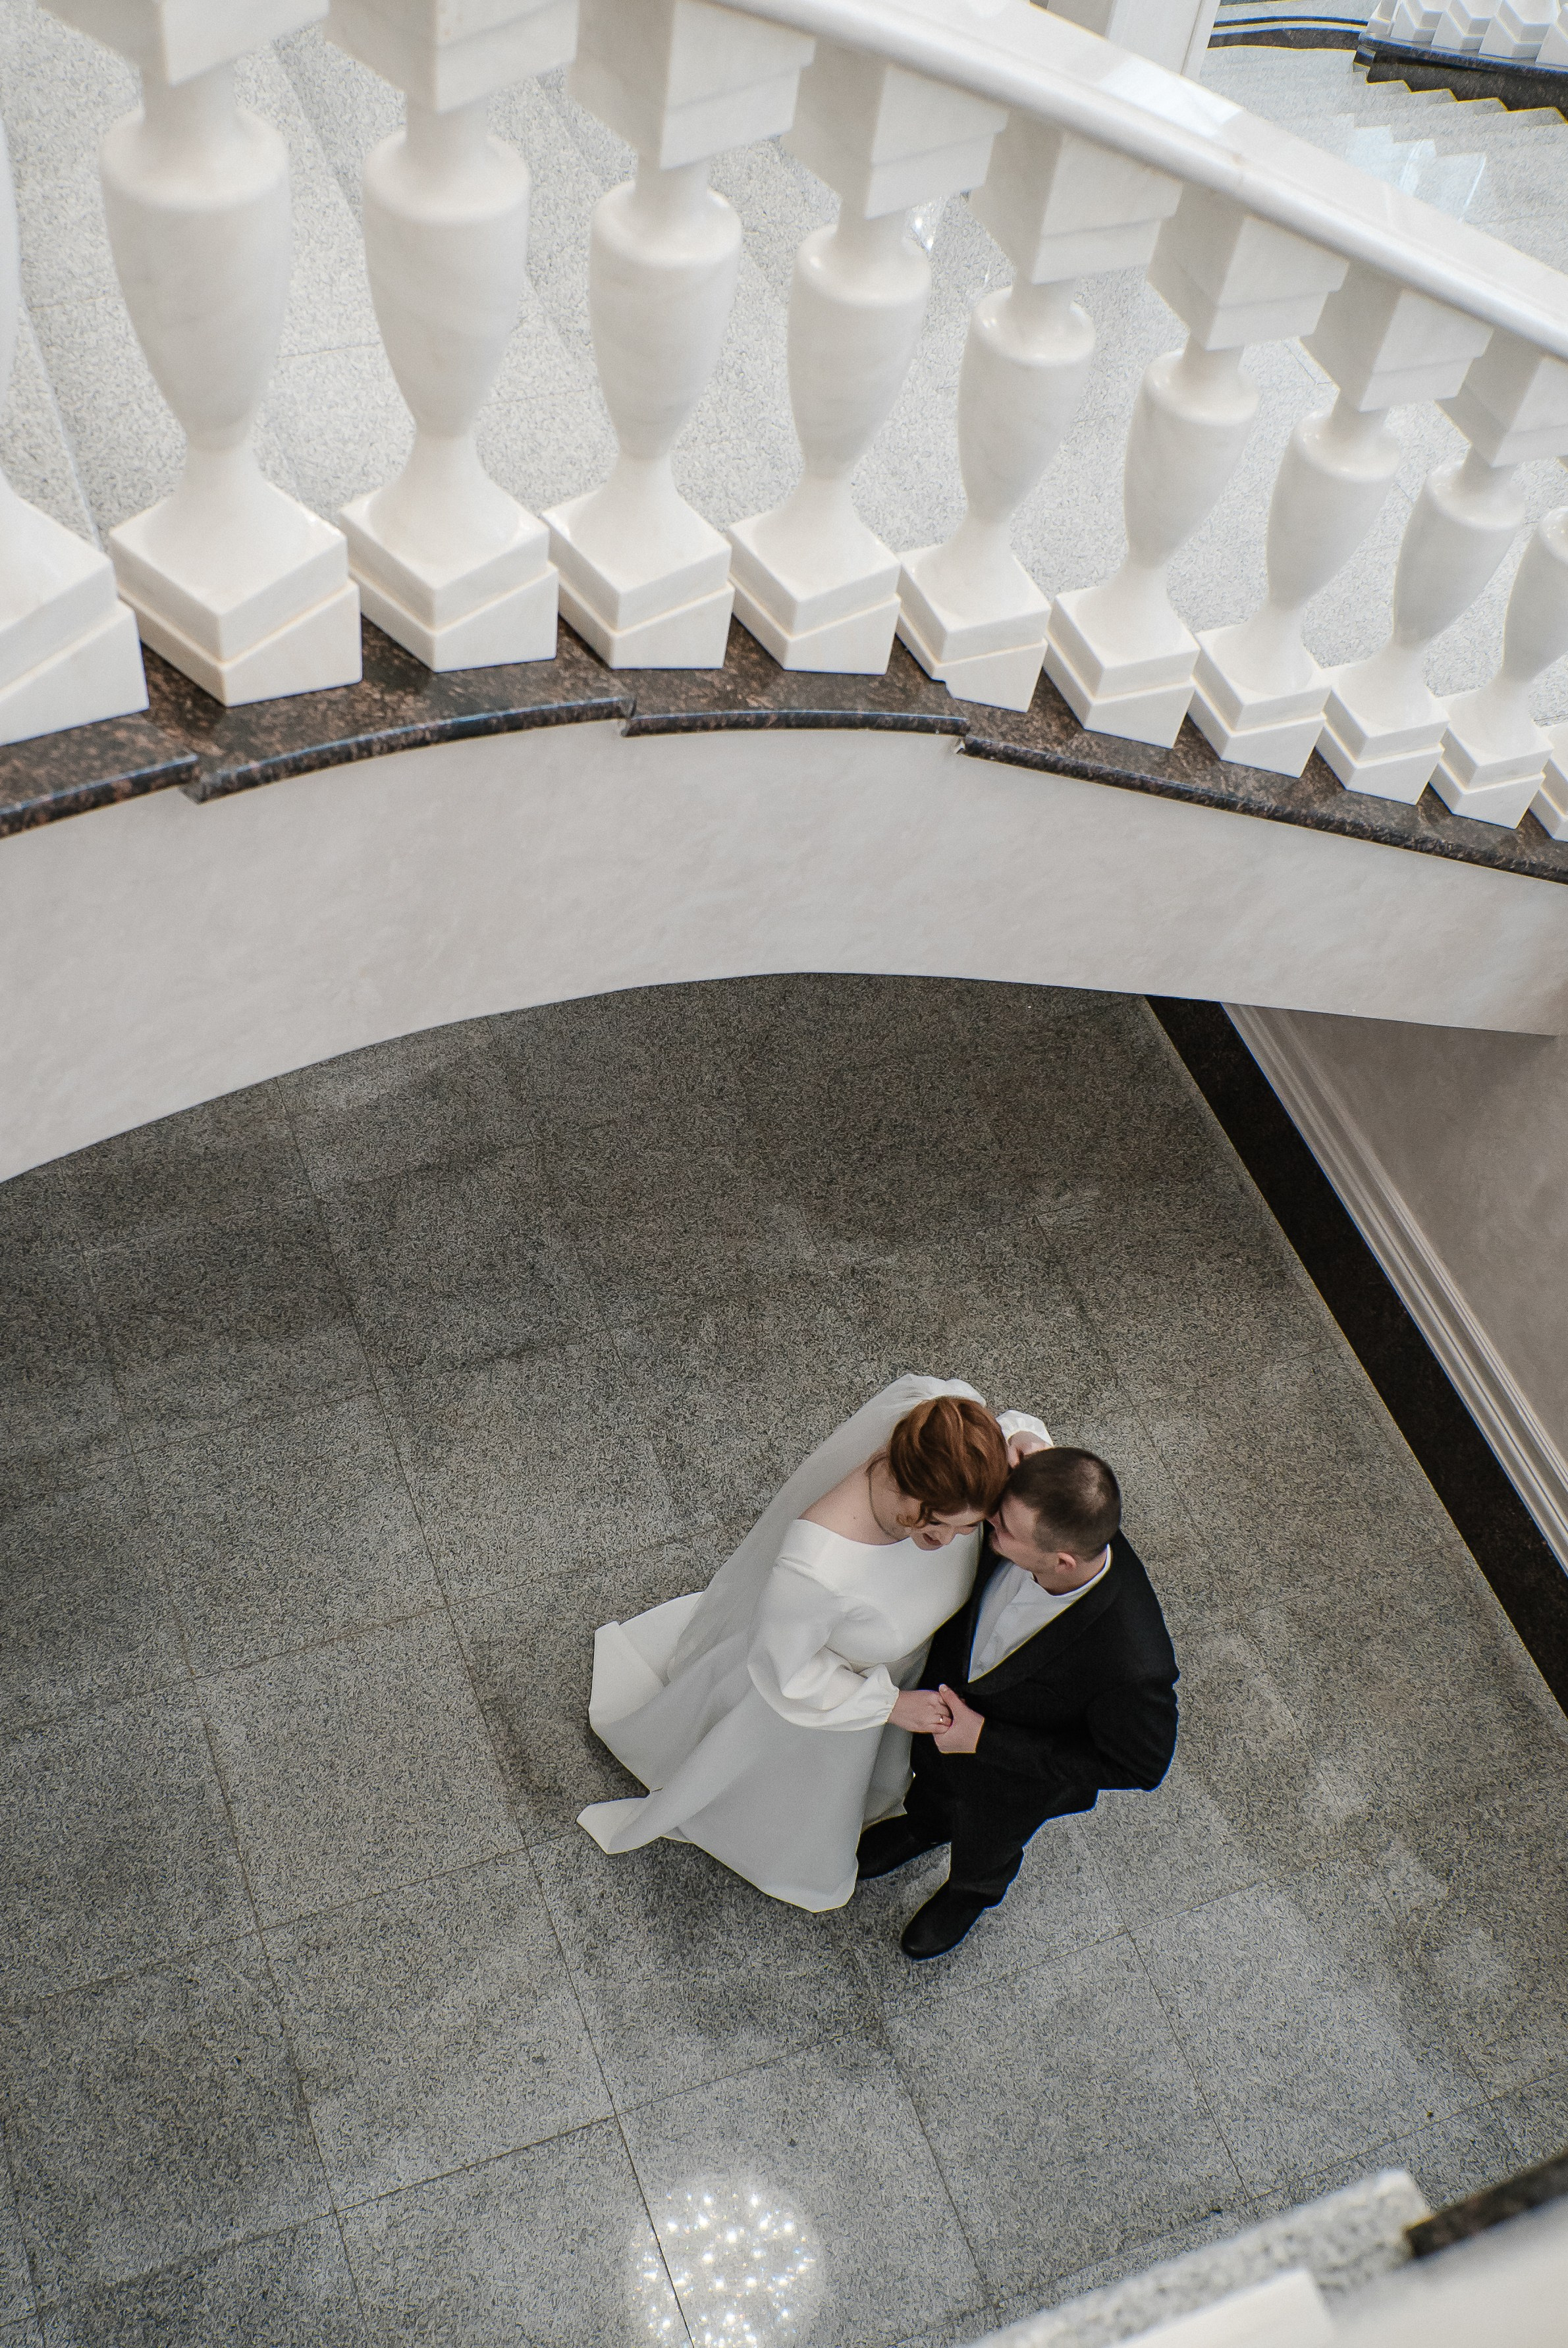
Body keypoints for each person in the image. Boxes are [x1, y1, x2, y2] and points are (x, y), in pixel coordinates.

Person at [578, 1377, 1048, 1911]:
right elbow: (787, 1674)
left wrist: (1031, 1447)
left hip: (902, 1672)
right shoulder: (815, 1570)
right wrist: (890, 1704)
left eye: (970, 1528)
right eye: (942, 1526)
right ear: (910, 1489)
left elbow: (1009, 1433)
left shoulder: (948, 1433)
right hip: (823, 1704)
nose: (956, 1541)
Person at [858, 1442, 1179, 1959]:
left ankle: (970, 1894)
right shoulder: (1042, 1512)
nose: (987, 1524)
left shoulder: (1132, 1662)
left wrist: (984, 1740)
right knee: (934, 1786)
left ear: (1062, 1560)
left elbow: (1140, 1766)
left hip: (1011, 1783)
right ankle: (925, 1824)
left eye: (1003, 1528)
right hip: (944, 1707)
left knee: (987, 1843)